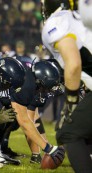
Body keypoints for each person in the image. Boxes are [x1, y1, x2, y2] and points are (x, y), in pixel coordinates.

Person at [41, 0, 92, 172]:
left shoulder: (57, 22)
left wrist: (71, 102)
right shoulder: (80, 19)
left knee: (68, 132)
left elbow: (74, 63)